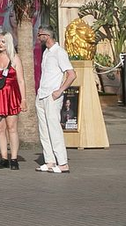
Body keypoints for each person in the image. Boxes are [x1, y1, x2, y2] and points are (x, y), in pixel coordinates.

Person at [35, 22, 75, 174]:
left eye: (40, 35)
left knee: (54, 129)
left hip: (52, 95)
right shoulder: (46, 52)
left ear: (46, 36)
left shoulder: (59, 52)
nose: (38, 37)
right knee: (44, 129)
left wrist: (59, 91)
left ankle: (63, 163)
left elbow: (71, 74)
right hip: (42, 94)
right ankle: (49, 161)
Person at [0, 30, 23, 169]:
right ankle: (3, 158)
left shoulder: (15, 58)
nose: (0, 44)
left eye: (3, 41)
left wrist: (23, 99)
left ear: (8, 42)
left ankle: (14, 158)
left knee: (12, 127)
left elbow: (20, 80)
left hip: (11, 95)